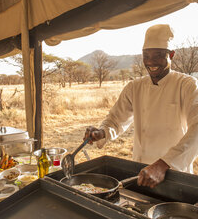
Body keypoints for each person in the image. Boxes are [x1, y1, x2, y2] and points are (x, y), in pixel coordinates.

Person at [84, 24, 198, 189]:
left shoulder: (187, 85)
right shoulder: (134, 87)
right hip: (140, 173)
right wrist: (101, 132)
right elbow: (116, 119)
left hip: (175, 173)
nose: (150, 61)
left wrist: (163, 164)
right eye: (146, 55)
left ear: (171, 55)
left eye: (158, 55)